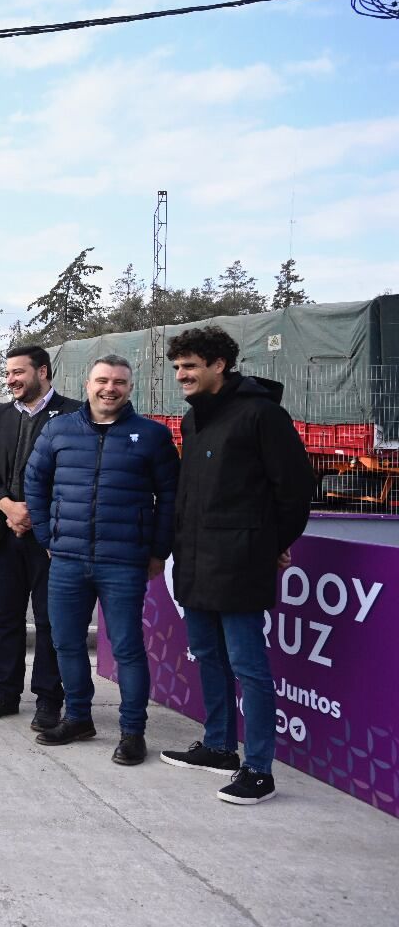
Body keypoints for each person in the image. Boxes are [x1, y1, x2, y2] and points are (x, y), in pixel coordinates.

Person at [159, 326, 316, 805]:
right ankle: (220, 746)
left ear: (218, 366)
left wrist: (271, 543)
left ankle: (259, 769)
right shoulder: (192, 420)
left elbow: (295, 490)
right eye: (178, 367)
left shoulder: (262, 414)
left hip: (241, 563)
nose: (182, 375)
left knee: (249, 667)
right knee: (207, 655)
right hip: (195, 560)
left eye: (190, 366)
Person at [24, 355, 179, 764]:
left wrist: (158, 550)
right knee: (66, 643)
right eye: (102, 381)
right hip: (67, 559)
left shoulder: (152, 436)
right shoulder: (59, 428)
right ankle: (78, 717)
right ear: (88, 383)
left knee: (127, 648)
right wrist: (46, 534)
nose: (110, 388)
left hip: (124, 561)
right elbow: (34, 482)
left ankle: (132, 731)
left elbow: (171, 498)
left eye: (119, 382)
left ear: (131, 387)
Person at [0, 345, 81, 731]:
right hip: (5, 534)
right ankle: (6, 693)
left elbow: (76, 475)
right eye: (8, 374)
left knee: (50, 622)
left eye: (19, 372)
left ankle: (49, 699)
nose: (11, 380)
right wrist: (8, 507)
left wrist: (35, 514)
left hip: (51, 539)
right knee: (6, 618)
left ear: (43, 372)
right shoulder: (0, 414)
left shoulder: (72, 414)